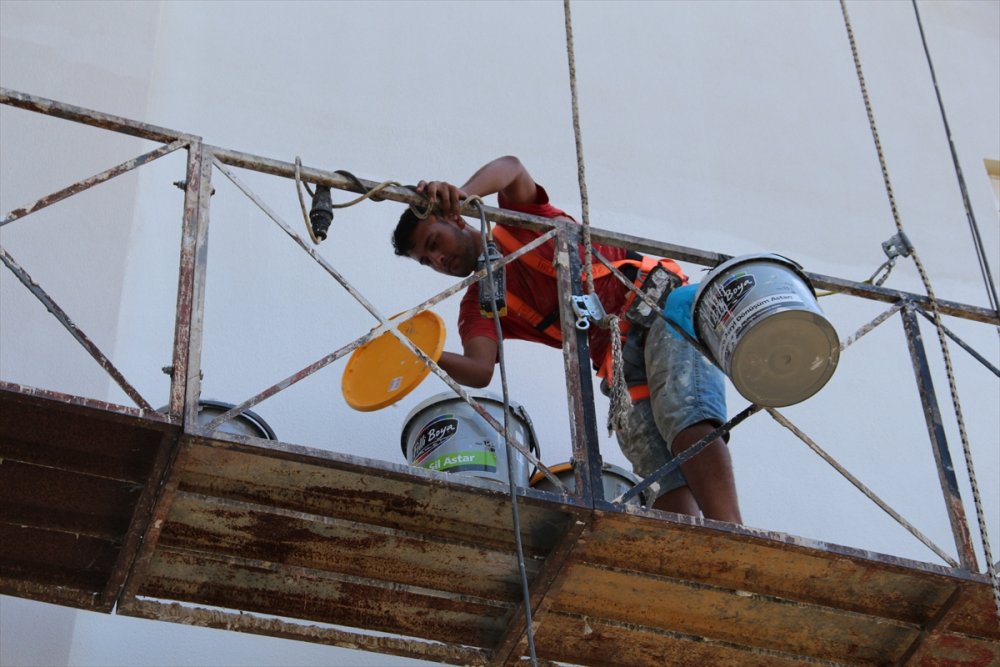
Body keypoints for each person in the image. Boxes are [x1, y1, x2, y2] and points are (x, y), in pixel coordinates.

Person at [391, 156, 741, 523]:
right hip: (618, 363)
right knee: (655, 465)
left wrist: (463, 193)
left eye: (434, 242)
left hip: (658, 307)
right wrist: (421, 353)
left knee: (684, 412)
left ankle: (730, 528)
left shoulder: (521, 223)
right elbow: (479, 370)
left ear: (455, 218)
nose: (438, 259)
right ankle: (696, 543)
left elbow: (511, 169)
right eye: (427, 260)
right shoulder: (480, 303)